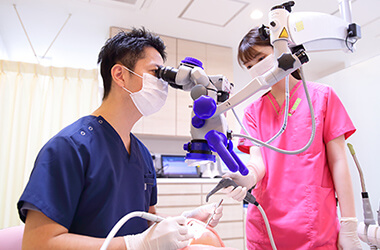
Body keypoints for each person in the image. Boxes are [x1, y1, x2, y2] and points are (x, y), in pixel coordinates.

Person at [17, 27, 223, 250]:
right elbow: (37, 243)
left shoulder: (142, 154)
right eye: (157, 73)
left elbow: (146, 219)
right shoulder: (69, 148)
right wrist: (135, 245)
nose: (163, 85)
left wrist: (184, 221)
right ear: (120, 75)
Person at [222, 27, 362, 249]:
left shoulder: (322, 97)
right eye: (249, 66)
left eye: (260, 58)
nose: (255, 68)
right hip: (265, 225)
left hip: (313, 224)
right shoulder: (253, 111)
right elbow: (259, 162)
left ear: (281, 49)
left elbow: (339, 163)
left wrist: (349, 223)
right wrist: (248, 178)